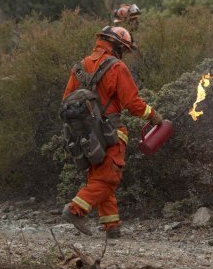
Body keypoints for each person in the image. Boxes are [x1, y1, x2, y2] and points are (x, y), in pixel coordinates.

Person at [61, 25, 163, 238]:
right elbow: (133, 104)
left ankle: (112, 227)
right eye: (123, 50)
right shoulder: (116, 67)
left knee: (99, 176)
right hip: (111, 132)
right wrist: (153, 116)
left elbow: (66, 101)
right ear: (116, 47)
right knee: (108, 178)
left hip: (85, 134)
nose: (123, 55)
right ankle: (75, 210)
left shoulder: (80, 67)